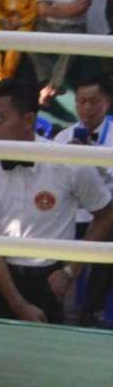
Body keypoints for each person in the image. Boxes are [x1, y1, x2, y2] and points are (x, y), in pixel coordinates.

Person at [0, 81, 113, 325]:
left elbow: (106, 214)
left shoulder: (68, 162)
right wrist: (18, 304)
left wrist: (70, 271)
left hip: (46, 281)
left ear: (28, 120)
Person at [52, 75, 113, 325]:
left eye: (94, 101)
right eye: (81, 101)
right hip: (69, 212)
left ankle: (91, 311)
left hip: (106, 212)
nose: (87, 107)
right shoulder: (62, 138)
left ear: (108, 102)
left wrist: (90, 160)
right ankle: (50, 304)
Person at [33, 0, 93, 105]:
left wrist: (55, 7)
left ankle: (52, 86)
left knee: (73, 45)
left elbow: (81, 8)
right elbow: (42, 10)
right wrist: (70, 8)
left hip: (74, 28)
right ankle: (47, 81)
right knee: (29, 43)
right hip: (48, 27)